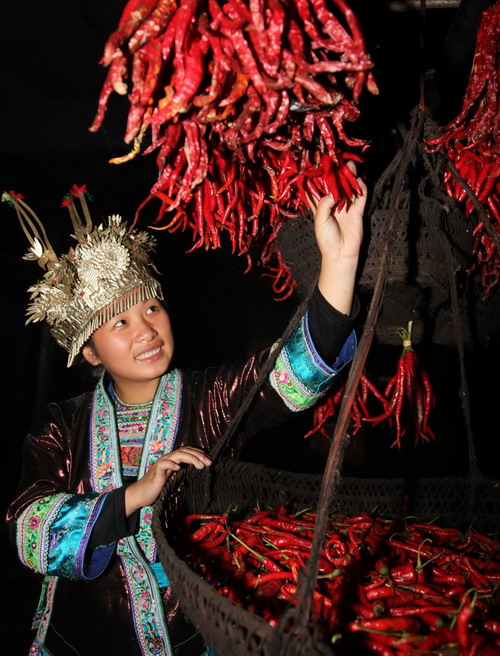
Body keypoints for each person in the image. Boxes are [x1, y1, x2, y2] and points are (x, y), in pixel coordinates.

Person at [5, 169, 367, 656]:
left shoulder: (208, 397)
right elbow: (28, 528)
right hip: (84, 641)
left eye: (153, 308)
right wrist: (134, 495)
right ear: (89, 352)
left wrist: (340, 261)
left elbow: (292, 373)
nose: (146, 330)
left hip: (193, 637)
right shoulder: (60, 425)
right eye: (120, 321)